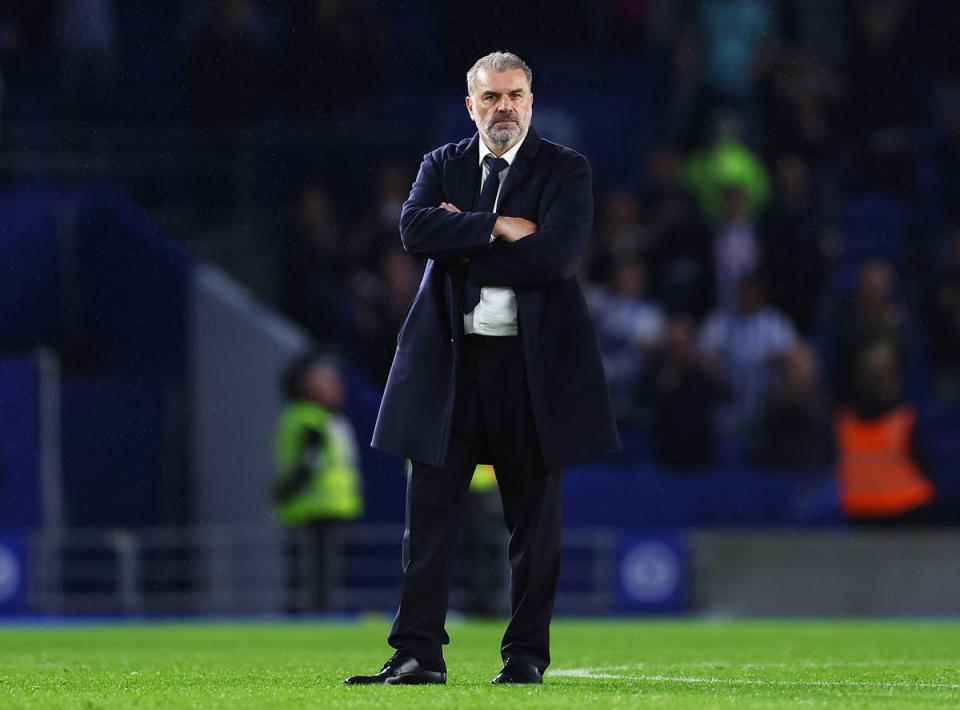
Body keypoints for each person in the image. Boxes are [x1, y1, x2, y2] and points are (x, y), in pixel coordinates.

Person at [345, 51, 619, 686]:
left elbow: (557, 257)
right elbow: (415, 234)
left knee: (535, 528)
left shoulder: (564, 169)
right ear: (471, 106)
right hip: (451, 367)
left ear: (531, 100)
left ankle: (525, 658)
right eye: (491, 97)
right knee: (429, 524)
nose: (504, 107)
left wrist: (461, 240)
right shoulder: (440, 164)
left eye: (515, 95)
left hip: (531, 372)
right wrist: (499, 226)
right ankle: (417, 655)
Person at [273, 354, 363, 611]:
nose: (335, 386)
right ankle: (313, 620)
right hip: (314, 508)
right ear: (307, 386)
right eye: (326, 381)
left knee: (315, 578)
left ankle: (312, 618)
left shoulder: (321, 418)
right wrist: (287, 491)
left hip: (323, 507)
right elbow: (309, 463)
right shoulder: (311, 419)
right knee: (316, 579)